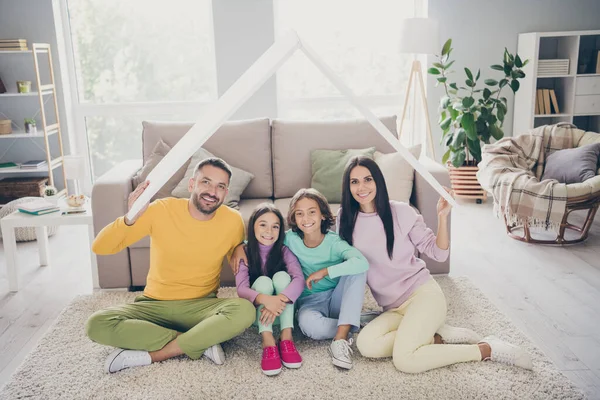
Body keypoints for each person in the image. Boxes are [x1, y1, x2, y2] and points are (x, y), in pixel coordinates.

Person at [337, 156, 533, 373]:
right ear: (348, 187)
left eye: (367, 179)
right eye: (354, 182)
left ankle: (486, 349)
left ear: (378, 182)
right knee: (366, 345)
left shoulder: (401, 212)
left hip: (422, 295)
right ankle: (435, 336)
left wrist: (442, 217)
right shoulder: (345, 219)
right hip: (392, 308)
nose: (361, 187)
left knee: (405, 360)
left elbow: (438, 254)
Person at [86, 157, 255, 373]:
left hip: (200, 308)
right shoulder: (161, 209)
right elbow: (101, 247)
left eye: (220, 186)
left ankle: (156, 354)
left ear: (226, 192)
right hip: (154, 306)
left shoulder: (233, 220)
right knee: (97, 324)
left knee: (244, 311)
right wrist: (130, 218)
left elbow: (239, 251)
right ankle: (198, 342)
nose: (213, 191)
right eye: (206, 182)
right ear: (191, 184)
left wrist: (241, 245)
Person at [232, 188, 369, 370]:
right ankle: (355, 322)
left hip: (337, 297)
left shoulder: (335, 243)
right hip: (309, 301)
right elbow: (264, 239)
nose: (306, 219)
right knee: (308, 326)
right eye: (299, 214)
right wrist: (239, 247)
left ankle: (341, 338)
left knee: (358, 268)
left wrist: (325, 271)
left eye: (312, 212)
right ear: (293, 219)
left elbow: (362, 262)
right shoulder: (290, 240)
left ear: (322, 215)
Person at [235, 203, 305, 376]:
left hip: (282, 313)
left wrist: (279, 299)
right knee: (263, 281)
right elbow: (241, 289)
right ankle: (268, 341)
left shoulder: (283, 250)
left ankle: (286, 338)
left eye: (275, 226)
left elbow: (299, 280)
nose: (269, 231)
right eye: (263, 224)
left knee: (283, 277)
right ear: (252, 226)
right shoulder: (244, 252)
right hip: (260, 316)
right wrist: (267, 300)